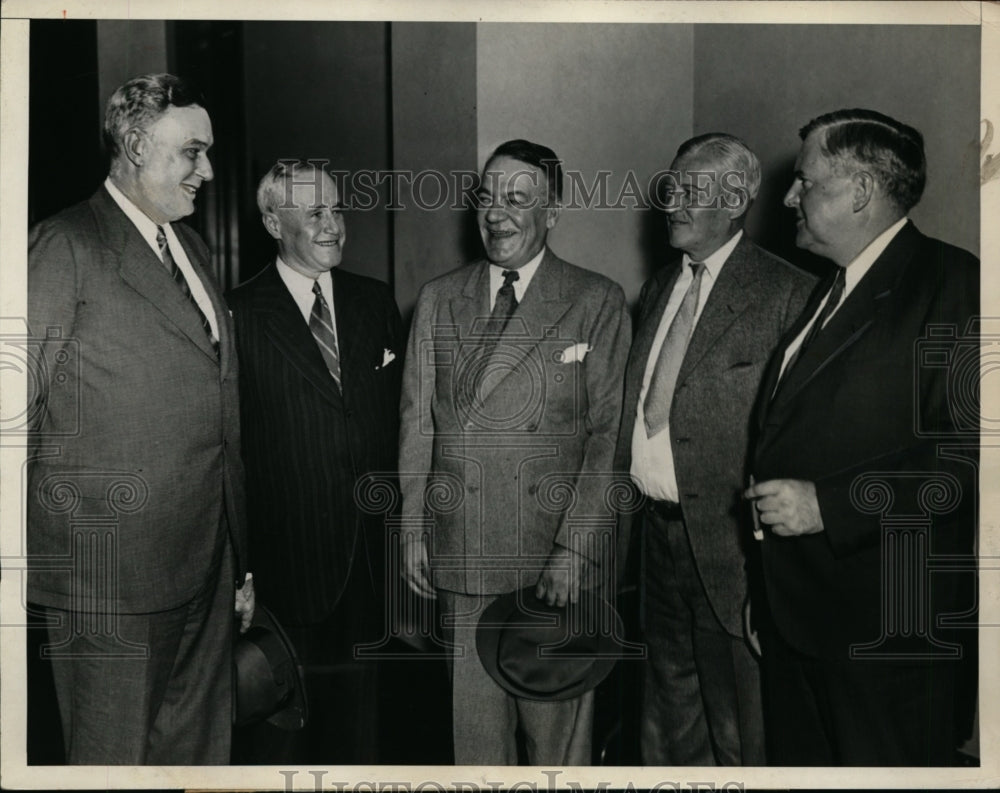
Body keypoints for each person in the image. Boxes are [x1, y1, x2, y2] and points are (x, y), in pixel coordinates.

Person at [26, 73, 253, 765]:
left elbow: (219, 411)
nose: (208, 171)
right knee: (112, 763)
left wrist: (241, 563)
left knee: (196, 760)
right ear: (133, 145)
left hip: (206, 567)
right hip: (108, 581)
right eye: (193, 152)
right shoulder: (65, 245)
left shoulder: (194, 250)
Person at [745, 108, 979, 765]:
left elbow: (970, 456)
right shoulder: (828, 291)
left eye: (805, 181)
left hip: (885, 638)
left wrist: (831, 504)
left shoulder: (955, 283)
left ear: (860, 191)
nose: (789, 196)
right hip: (799, 623)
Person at [398, 139, 631, 765]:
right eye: (487, 198)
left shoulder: (596, 300)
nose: (496, 214)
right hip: (463, 553)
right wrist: (413, 532)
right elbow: (418, 424)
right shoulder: (438, 299)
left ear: (552, 212)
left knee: (557, 753)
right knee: (474, 752)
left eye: (518, 200)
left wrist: (573, 550)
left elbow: (609, 440)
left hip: (550, 565)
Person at [614, 134, 814, 765]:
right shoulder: (657, 290)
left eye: (691, 189)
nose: (672, 201)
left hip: (733, 554)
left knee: (740, 734)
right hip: (655, 544)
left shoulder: (788, 293)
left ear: (735, 202)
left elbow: (796, 443)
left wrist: (769, 574)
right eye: (671, 186)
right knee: (666, 729)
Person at [227, 161, 403, 764]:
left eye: (337, 210)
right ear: (275, 222)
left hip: (372, 569)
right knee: (284, 741)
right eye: (315, 214)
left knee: (364, 739)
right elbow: (230, 456)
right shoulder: (238, 315)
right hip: (287, 572)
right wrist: (238, 572)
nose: (333, 226)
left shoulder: (375, 301)